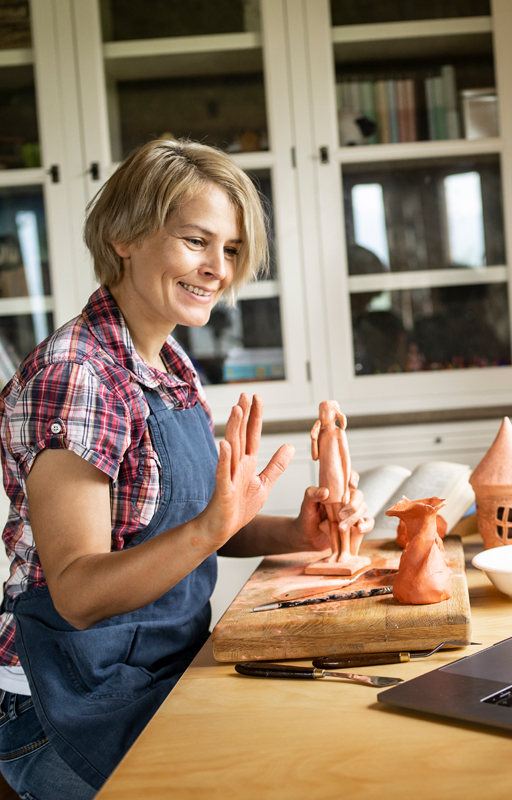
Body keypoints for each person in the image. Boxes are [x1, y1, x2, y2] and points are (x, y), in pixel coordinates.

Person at [0, 139, 373, 799]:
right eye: (196, 241)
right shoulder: (77, 377)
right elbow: (79, 595)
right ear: (124, 236)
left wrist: (296, 532)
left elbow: (193, 526)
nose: (218, 269)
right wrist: (213, 527)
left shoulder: (167, 365)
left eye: (229, 250)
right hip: (67, 700)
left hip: (154, 668)